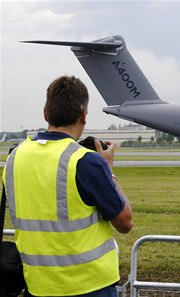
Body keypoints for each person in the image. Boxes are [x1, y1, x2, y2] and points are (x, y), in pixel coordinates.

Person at [2, 75, 133, 296]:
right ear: (83, 115)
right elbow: (125, 222)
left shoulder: (14, 158)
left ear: (46, 112)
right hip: (89, 286)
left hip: (37, 286)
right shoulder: (85, 162)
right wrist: (108, 169)